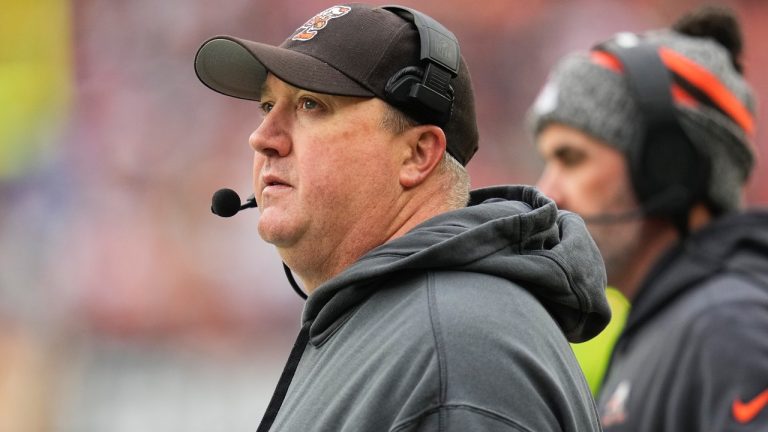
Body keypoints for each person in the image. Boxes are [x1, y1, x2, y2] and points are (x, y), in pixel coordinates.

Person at [194, 4, 610, 431]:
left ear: (417, 154)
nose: (262, 138)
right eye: (267, 107)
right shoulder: (408, 327)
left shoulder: (454, 350)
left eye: (310, 104)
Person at [528, 5, 768, 431]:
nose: (550, 193)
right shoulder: (678, 324)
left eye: (571, 157)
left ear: (666, 168)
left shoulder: (728, 329)